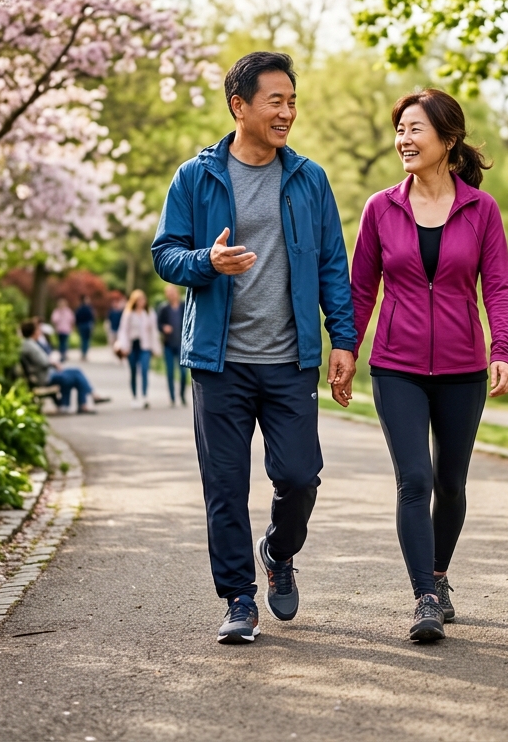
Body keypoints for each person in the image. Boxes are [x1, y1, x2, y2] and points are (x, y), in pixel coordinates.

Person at [152, 51, 356, 645]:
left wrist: (341, 339)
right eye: (276, 100)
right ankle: (239, 598)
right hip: (219, 362)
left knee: (300, 477)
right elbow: (166, 253)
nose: (288, 111)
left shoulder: (309, 178)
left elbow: (330, 266)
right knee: (224, 486)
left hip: (290, 360)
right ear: (239, 105)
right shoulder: (196, 177)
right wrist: (205, 263)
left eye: (292, 101)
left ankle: (279, 549)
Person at [351, 88, 508, 644]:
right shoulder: (380, 207)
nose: (404, 139)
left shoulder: (480, 209)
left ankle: (440, 576)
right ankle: (424, 595)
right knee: (414, 479)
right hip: (396, 365)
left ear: (448, 140)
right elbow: (360, 290)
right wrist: (345, 350)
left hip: (462, 368)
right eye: (399, 130)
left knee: (451, 481)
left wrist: (501, 350)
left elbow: (497, 285)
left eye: (415, 129)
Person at [18, 319, 104, 413]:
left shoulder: (28, 344)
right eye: (38, 330)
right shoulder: (30, 345)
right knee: (74, 376)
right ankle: (84, 401)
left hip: (44, 373)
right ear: (33, 332)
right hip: (44, 376)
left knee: (75, 372)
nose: (40, 332)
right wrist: (54, 363)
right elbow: (43, 361)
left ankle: (72, 404)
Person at [114, 289, 159, 407]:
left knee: (144, 370)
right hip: (132, 346)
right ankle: (134, 397)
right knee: (133, 371)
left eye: (142, 299)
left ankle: (144, 397)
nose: (141, 302)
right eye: (138, 300)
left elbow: (153, 331)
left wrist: (156, 348)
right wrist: (124, 346)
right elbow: (123, 331)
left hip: (145, 346)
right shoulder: (128, 314)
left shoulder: (149, 313)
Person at [157, 284, 188, 405]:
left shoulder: (184, 306)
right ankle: (172, 398)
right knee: (170, 372)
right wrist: (163, 327)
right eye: (168, 293)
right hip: (168, 345)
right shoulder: (163, 308)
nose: (171, 295)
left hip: (182, 345)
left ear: (177, 292)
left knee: (183, 372)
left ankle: (182, 395)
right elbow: (158, 324)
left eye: (172, 292)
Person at [50, 297, 75, 362]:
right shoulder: (57, 311)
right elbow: (54, 320)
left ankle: (64, 353)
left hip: (66, 329)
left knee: (64, 342)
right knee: (61, 342)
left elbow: (72, 320)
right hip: (59, 329)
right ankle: (62, 354)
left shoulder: (68, 311)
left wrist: (72, 327)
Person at [74, 295, 96, 360]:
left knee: (83, 340)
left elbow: (76, 318)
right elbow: (92, 318)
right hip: (86, 325)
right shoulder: (89, 309)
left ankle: (83, 353)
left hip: (82, 325)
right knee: (86, 340)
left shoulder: (79, 308)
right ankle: (84, 353)